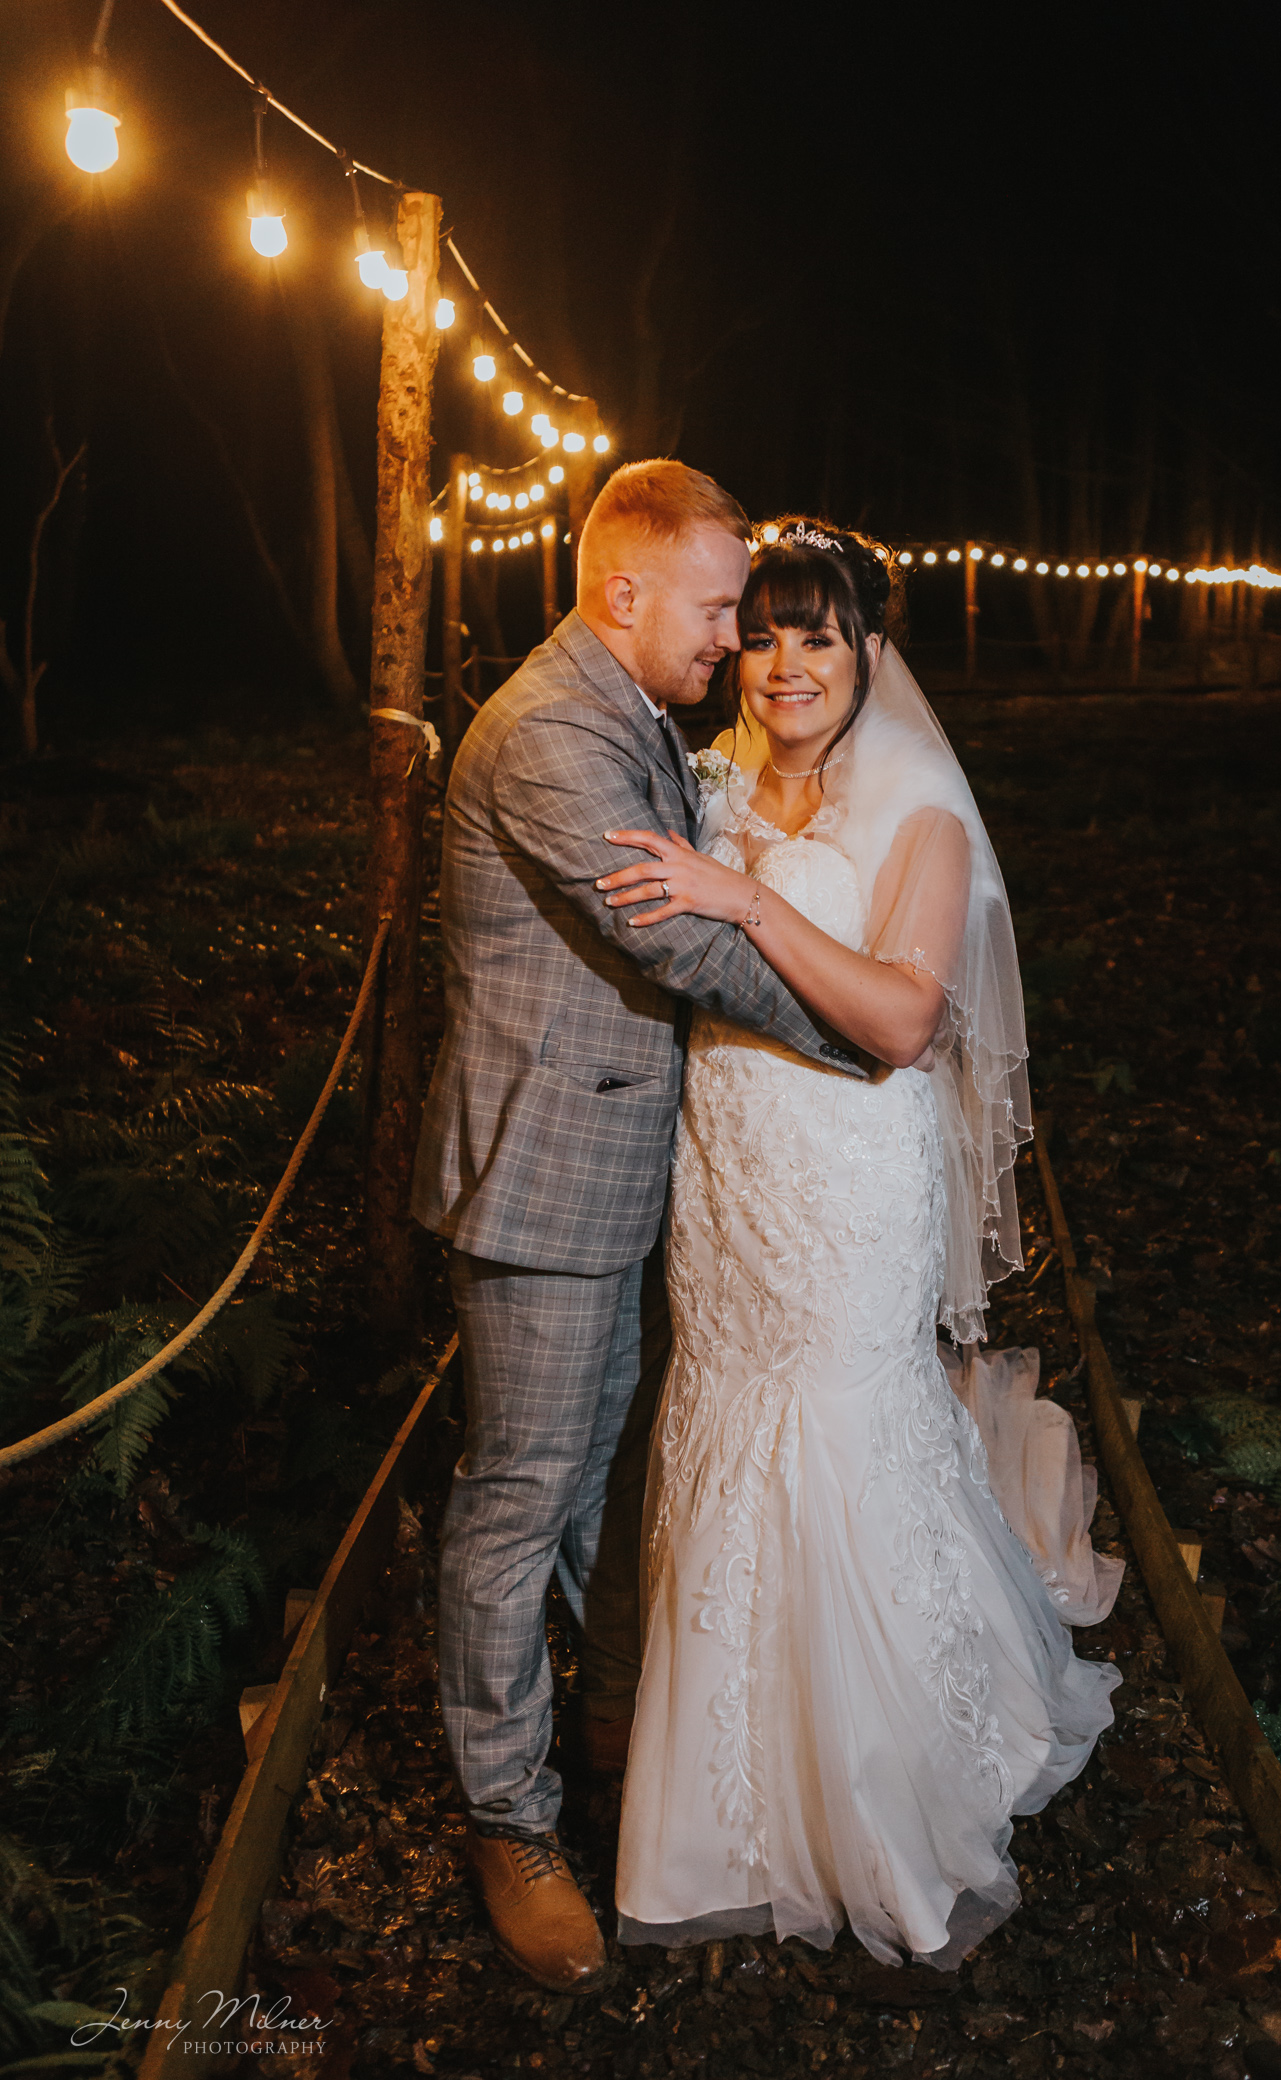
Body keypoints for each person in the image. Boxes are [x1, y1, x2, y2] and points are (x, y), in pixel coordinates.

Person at [598, 517, 1122, 1967]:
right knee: (721, 1429)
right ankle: (717, 1814)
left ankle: (881, 1797)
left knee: (836, 1431)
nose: (783, 663)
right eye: (761, 634)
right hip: (725, 1184)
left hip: (849, 1188)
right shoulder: (702, 781)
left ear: (869, 653)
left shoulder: (921, 812)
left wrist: (746, 899)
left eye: (816, 636)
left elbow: (902, 1020)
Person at [410, 467, 867, 1995]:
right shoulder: (552, 730)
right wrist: (859, 1035)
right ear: (626, 594)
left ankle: (618, 1736)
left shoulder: (634, 716)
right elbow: (672, 937)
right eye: (718, 607)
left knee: (614, 1475)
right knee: (518, 1499)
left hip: (631, 1174)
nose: (734, 637)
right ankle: (509, 1821)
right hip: (544, 1183)